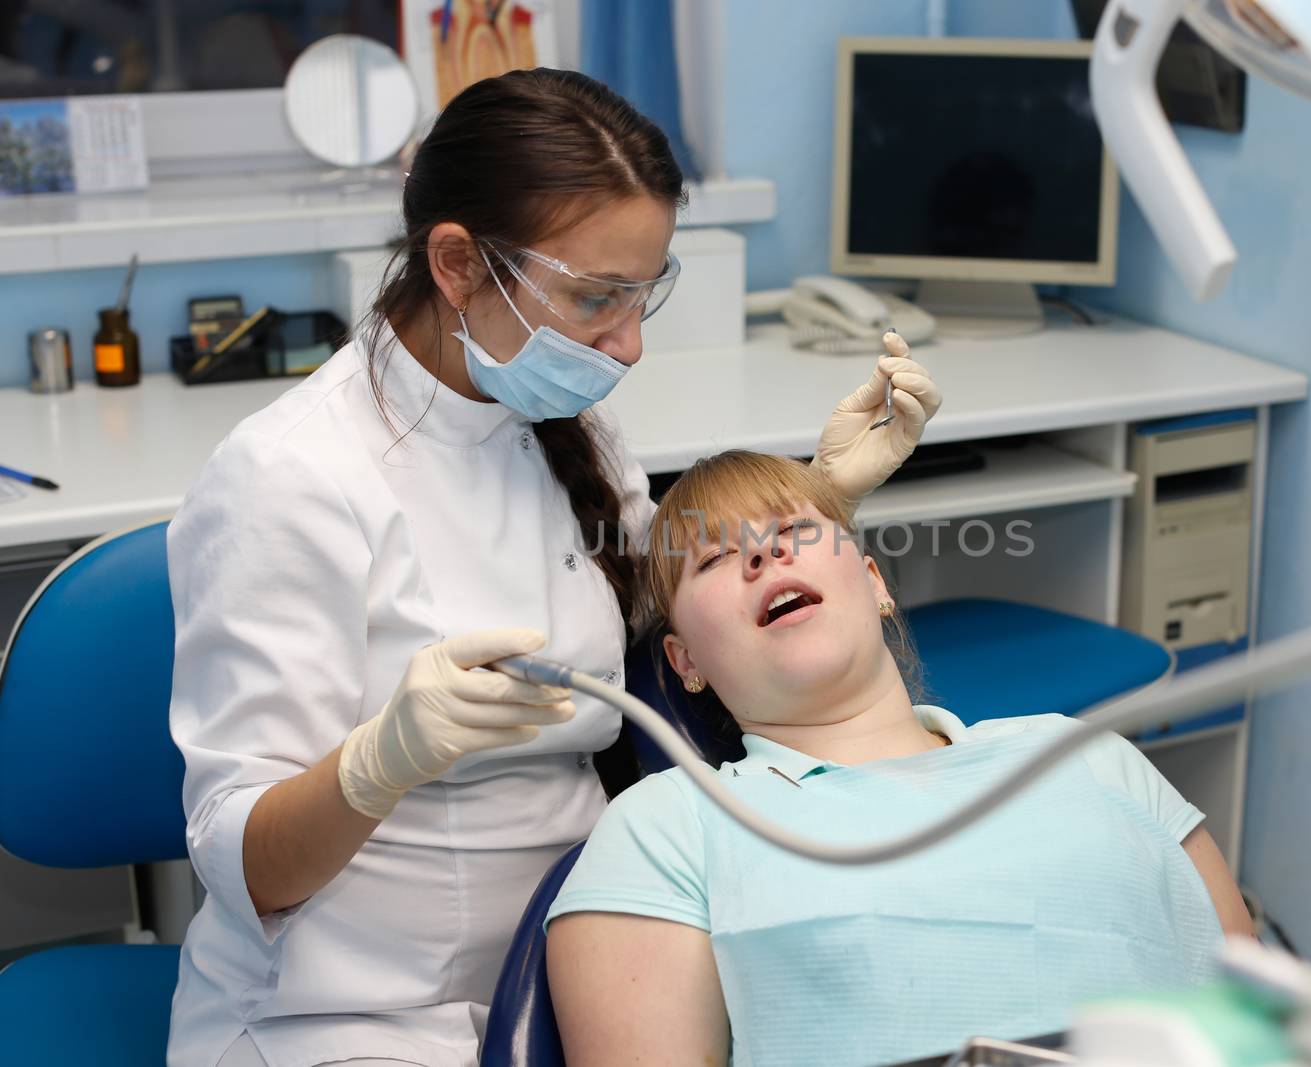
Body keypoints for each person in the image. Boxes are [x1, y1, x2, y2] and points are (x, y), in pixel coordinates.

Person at [166, 69, 942, 1067]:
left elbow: (688, 617)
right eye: (594, 297)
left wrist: (817, 500)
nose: (626, 345)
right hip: (356, 1017)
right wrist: (379, 761)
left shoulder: (561, 419)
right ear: (456, 263)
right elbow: (247, 866)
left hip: (596, 958)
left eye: (643, 293)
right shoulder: (288, 478)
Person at [545, 450, 1254, 1067]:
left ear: (878, 583)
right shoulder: (667, 829)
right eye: (716, 557)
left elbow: (1261, 1019)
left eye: (793, 529)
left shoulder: (1085, 754)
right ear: (686, 660)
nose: (764, 555)